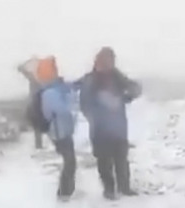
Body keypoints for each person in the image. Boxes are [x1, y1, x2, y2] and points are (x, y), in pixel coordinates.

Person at [78, 47, 142, 199]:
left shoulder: (116, 76)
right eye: (106, 60)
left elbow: (134, 88)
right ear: (98, 61)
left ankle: (124, 187)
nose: (109, 63)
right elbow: (84, 104)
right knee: (104, 161)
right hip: (100, 129)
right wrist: (96, 115)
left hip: (118, 127)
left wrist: (128, 95)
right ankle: (109, 190)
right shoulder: (90, 80)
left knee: (121, 159)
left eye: (111, 60)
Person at [36, 57, 77, 200]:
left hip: (63, 130)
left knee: (70, 161)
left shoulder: (53, 89)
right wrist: (70, 98)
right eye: (53, 69)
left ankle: (67, 190)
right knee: (70, 162)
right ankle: (64, 192)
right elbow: (62, 110)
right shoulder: (50, 93)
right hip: (59, 132)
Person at [16, 58, 44, 149]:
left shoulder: (36, 80)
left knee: (37, 126)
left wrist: (22, 69)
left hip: (36, 103)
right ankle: (39, 145)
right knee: (38, 126)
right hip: (38, 103)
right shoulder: (40, 80)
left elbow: (28, 75)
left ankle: (39, 145)